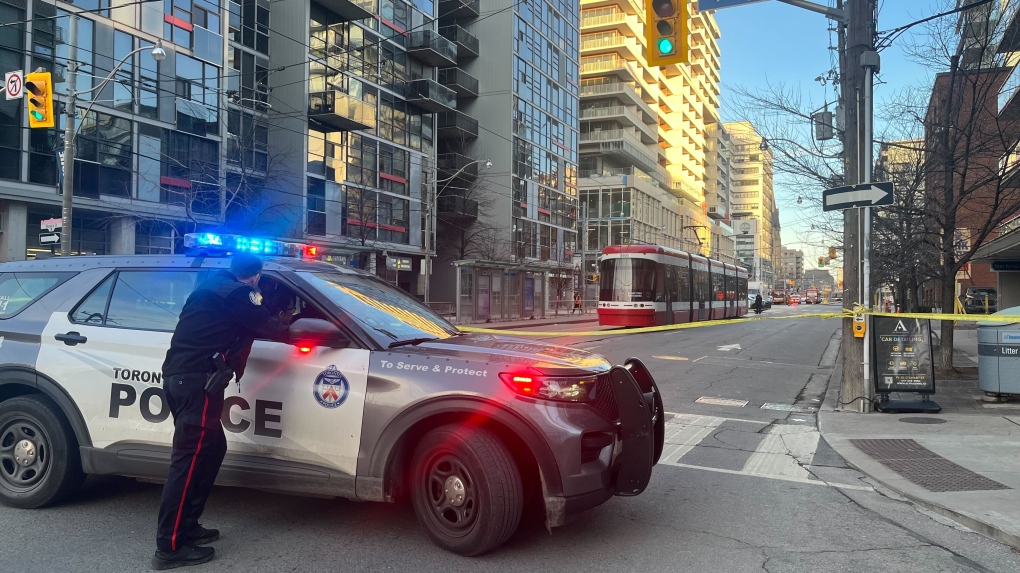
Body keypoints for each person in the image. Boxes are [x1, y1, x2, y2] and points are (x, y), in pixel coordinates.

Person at [153, 253, 285, 570]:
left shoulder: (212, 286)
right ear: (254, 276)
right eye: (258, 279)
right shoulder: (238, 294)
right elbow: (272, 327)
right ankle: (169, 548)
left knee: (212, 449)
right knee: (188, 460)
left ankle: (189, 526)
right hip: (197, 382)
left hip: (184, 380)